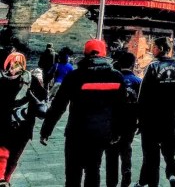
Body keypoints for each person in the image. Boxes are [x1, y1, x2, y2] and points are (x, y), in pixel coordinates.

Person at [40, 39, 126, 187]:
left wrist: (46, 130)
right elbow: (121, 108)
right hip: (101, 133)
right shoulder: (116, 77)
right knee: (93, 170)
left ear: (85, 53)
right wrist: (117, 132)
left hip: (77, 132)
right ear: (104, 54)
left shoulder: (75, 76)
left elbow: (58, 106)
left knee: (73, 172)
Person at [136, 37, 175, 187]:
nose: (153, 49)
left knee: (151, 156)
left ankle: (152, 182)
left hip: (152, 118)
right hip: (169, 117)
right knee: (169, 152)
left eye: (154, 47)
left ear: (159, 48)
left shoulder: (153, 67)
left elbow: (143, 95)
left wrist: (140, 118)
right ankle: (172, 175)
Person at [0, 52, 47, 186]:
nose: (15, 67)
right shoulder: (31, 79)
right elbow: (43, 99)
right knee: (11, 156)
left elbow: (41, 99)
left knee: (5, 154)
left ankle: (3, 179)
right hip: (22, 126)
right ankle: (5, 179)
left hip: (9, 125)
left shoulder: (2, 79)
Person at [105, 51, 142, 187]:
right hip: (130, 122)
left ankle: (112, 182)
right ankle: (126, 172)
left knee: (111, 153)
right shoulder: (138, 82)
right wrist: (141, 122)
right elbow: (142, 105)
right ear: (133, 64)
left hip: (113, 122)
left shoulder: (112, 80)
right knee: (126, 148)